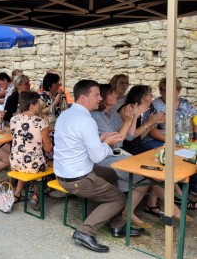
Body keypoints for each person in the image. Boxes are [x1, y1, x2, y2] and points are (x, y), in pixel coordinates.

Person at [54, 79, 144, 253]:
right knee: (119, 199)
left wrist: (99, 140)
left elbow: (76, 143)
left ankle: (118, 226)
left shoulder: (66, 114)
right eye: (96, 95)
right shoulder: (86, 121)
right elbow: (97, 156)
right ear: (83, 97)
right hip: (78, 178)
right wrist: (107, 143)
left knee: (111, 174)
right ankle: (84, 231)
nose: (99, 98)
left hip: (66, 172)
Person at [91, 84, 171, 229]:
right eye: (112, 94)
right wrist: (133, 119)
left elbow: (127, 136)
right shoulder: (97, 116)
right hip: (106, 157)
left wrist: (135, 118)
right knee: (146, 173)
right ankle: (169, 205)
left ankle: (167, 204)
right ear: (103, 97)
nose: (117, 96)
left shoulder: (113, 113)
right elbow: (119, 140)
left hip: (118, 153)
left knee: (149, 172)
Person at [9, 91, 53, 210]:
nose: (40, 105)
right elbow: (48, 148)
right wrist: (47, 128)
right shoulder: (41, 122)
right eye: (38, 103)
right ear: (31, 106)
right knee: (44, 160)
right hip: (33, 166)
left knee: (28, 158)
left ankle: (17, 194)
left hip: (15, 163)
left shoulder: (14, 119)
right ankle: (36, 195)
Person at [143, 78, 197, 150]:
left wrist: (195, 136)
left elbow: (195, 119)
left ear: (179, 91)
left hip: (182, 139)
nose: (170, 93)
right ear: (161, 91)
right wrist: (172, 142)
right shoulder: (154, 106)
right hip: (158, 140)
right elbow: (151, 130)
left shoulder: (185, 103)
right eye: (166, 90)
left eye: (173, 90)